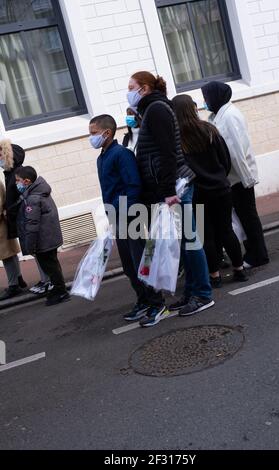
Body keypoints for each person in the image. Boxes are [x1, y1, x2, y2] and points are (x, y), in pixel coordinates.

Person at [127, 71, 214, 322]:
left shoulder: (156, 110)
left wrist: (166, 191)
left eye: (131, 86)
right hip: (172, 187)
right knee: (184, 244)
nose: (128, 91)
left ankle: (203, 295)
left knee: (190, 242)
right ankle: (191, 292)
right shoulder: (152, 109)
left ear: (144, 88)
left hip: (177, 187)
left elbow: (167, 153)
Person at [89, 114, 166, 326]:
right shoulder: (102, 157)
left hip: (130, 214)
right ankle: (143, 300)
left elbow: (133, 185)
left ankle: (157, 303)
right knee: (129, 265)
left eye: (94, 133)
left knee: (140, 261)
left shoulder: (121, 154)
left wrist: (124, 210)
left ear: (107, 132)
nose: (91, 138)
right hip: (117, 217)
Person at [172, 94, 248, 288]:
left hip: (197, 192)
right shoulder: (209, 130)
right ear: (193, 109)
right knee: (226, 230)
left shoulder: (177, 139)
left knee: (207, 236)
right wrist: (219, 175)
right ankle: (239, 270)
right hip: (221, 188)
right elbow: (225, 159)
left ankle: (215, 276)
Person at [201, 82, 269, 269]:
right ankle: (253, 251)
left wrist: (246, 178)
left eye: (206, 97)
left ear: (216, 96)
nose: (205, 101)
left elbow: (237, 150)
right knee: (242, 216)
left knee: (248, 217)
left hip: (239, 177)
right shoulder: (218, 116)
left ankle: (259, 254)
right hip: (233, 178)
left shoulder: (229, 116)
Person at [0, 139, 52, 296]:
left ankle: (49, 281)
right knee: (34, 250)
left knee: (38, 250)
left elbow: (25, 196)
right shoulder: (9, 174)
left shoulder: (18, 174)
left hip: (26, 218)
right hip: (21, 219)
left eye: (1, 154)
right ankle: (46, 280)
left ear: (8, 155)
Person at [14, 166, 70, 307]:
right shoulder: (40, 192)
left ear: (26, 181)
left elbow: (32, 225)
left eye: (18, 181)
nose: (16, 184)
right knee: (53, 265)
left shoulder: (33, 198)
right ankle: (59, 289)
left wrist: (30, 246)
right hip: (49, 238)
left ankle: (61, 292)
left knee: (50, 267)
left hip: (44, 241)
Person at [0, 139, 27, 299]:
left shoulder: (14, 173)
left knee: (6, 255)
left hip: (3, 224)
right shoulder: (7, 175)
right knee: (9, 254)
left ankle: (14, 284)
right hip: (6, 222)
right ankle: (17, 279)